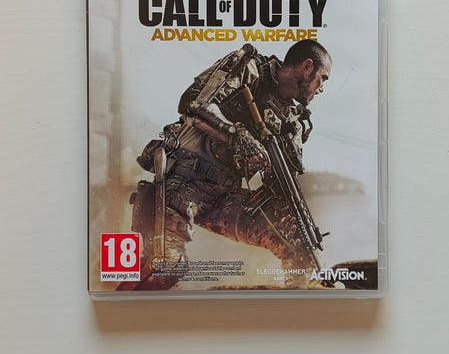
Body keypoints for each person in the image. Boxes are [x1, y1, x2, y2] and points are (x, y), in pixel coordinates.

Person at [119, 39, 331, 291]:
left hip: (224, 197)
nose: (321, 88)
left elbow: (282, 180)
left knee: (299, 244)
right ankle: (124, 306)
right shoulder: (251, 69)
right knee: (166, 269)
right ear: (307, 67)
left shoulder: (292, 121)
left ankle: (301, 305)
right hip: (183, 185)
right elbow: (194, 104)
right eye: (323, 78)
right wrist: (236, 135)